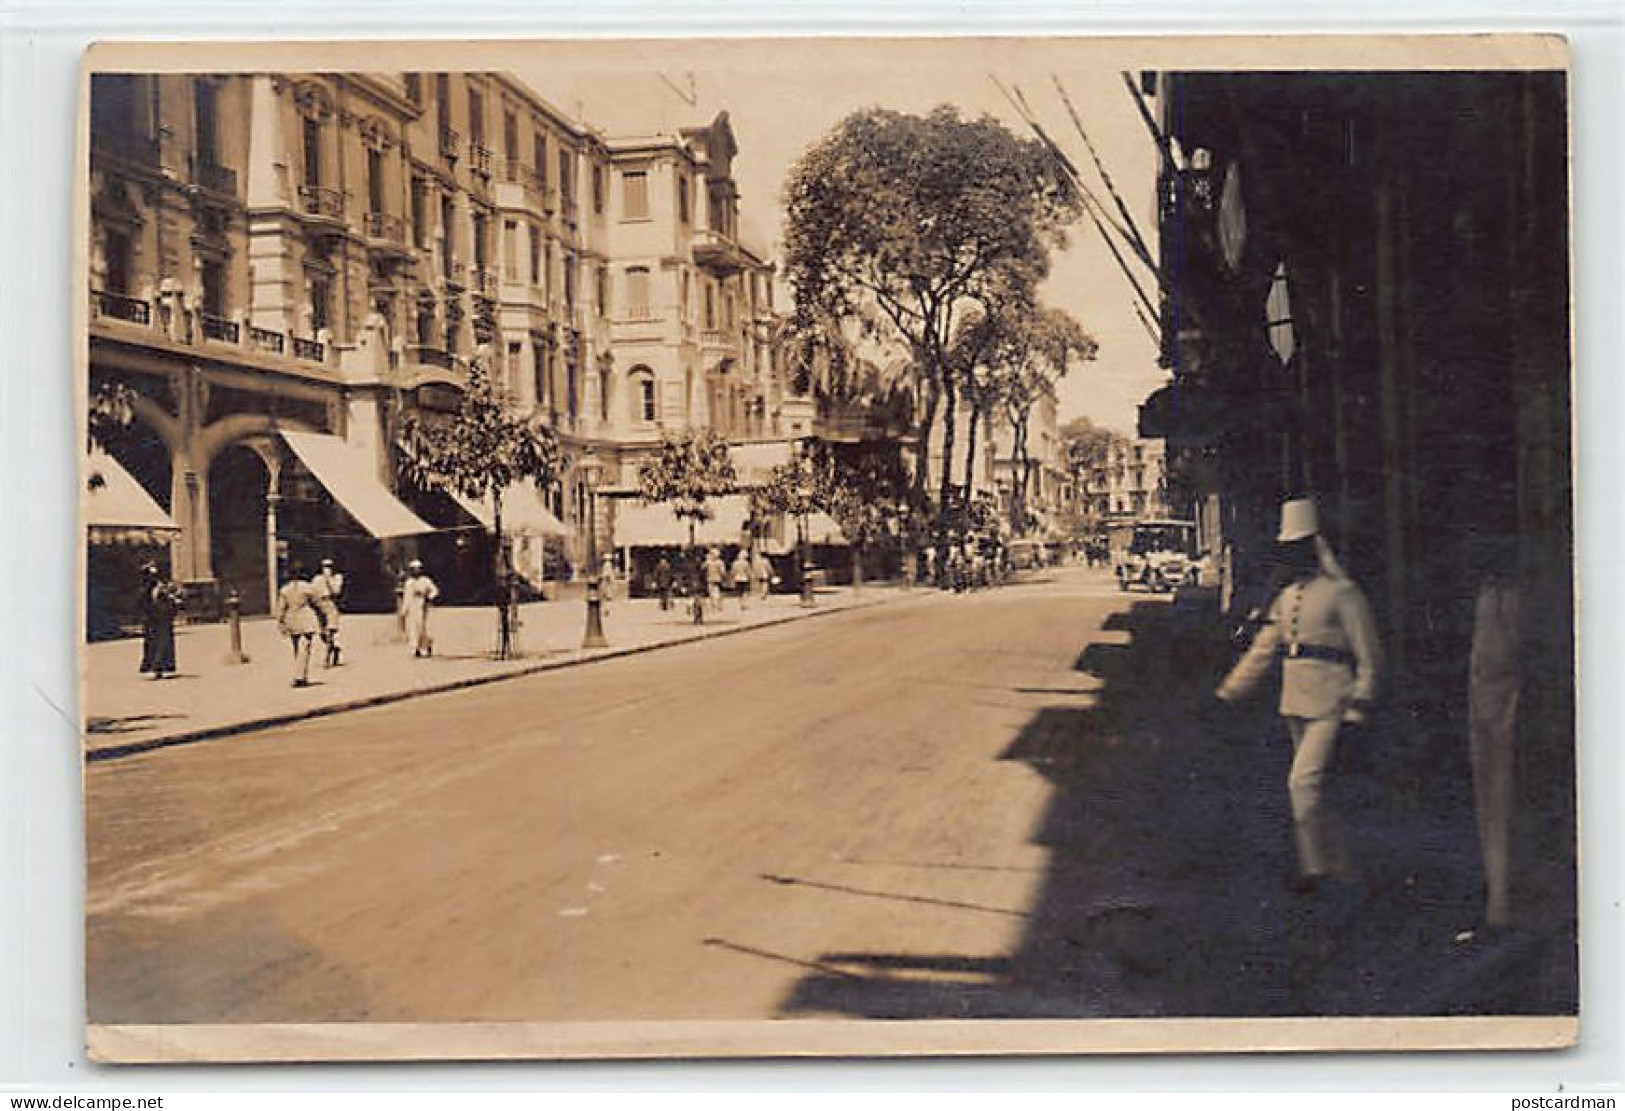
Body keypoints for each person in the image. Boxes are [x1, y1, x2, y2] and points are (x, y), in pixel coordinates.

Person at [1216, 497, 1381, 898]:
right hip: (1296, 701)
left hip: (1333, 701)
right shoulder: (1287, 597)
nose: (1294, 557)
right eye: (1289, 550)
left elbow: (1370, 654)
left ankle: (1314, 871)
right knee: (1319, 790)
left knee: (1301, 783)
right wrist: (1229, 691)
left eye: (1300, 548)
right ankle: (1342, 869)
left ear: (1316, 545)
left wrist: (1361, 702)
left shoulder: (1343, 593)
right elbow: (1263, 649)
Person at [274, 563, 321, 688]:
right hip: (305, 618)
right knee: (305, 648)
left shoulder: (285, 589)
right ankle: (300, 676)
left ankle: (299, 674)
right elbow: (317, 603)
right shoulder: (307, 587)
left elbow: (280, 608)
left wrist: (281, 622)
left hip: (292, 619)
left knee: (297, 648)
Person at [137, 563, 181, 680]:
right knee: (155, 643)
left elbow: (169, 601)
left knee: (161, 643)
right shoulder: (147, 589)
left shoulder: (161, 588)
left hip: (160, 618)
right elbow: (144, 603)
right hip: (154, 618)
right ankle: (156, 667)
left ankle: (159, 667)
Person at [401, 558, 440, 658]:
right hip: (412, 609)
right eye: (414, 569)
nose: (416, 571)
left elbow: (434, 591)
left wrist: (428, 597)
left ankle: (427, 647)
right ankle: (416, 649)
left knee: (424, 628)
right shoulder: (409, 583)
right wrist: (404, 611)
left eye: (418, 569)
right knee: (413, 629)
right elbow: (407, 597)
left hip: (423, 607)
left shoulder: (425, 581)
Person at [311, 557, 345, 668]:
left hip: (330, 604)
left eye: (329, 567)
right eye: (325, 566)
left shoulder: (337, 578)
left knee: (330, 631)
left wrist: (329, 580)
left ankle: (326, 658)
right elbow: (311, 592)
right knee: (322, 633)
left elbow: (336, 592)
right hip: (319, 605)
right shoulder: (317, 579)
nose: (327, 569)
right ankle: (335, 647)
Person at [703, 547, 725, 612]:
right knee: (717, 592)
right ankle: (717, 605)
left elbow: (702, 567)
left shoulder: (708, 562)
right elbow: (723, 571)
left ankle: (713, 605)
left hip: (710, 578)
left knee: (711, 592)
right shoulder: (720, 562)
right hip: (718, 579)